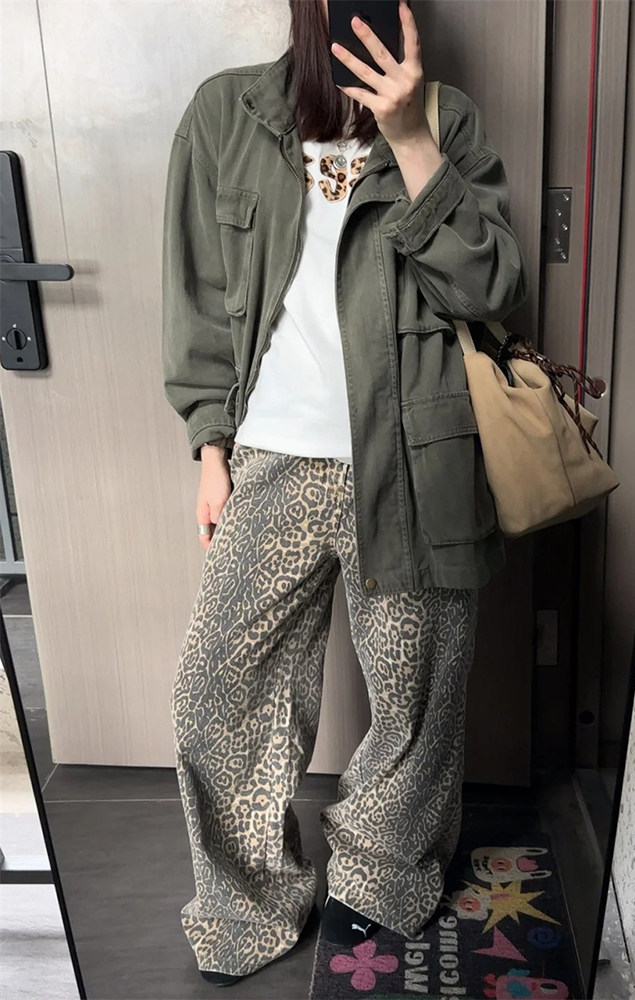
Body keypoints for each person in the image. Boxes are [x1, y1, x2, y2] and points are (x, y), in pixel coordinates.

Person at [161, 0, 527, 987]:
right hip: (271, 462)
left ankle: (383, 875)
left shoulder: (445, 120)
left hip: (413, 461)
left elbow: (492, 290)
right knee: (215, 695)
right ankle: (245, 905)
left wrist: (409, 138)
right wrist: (210, 449)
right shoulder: (225, 115)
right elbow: (197, 299)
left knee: (415, 700)